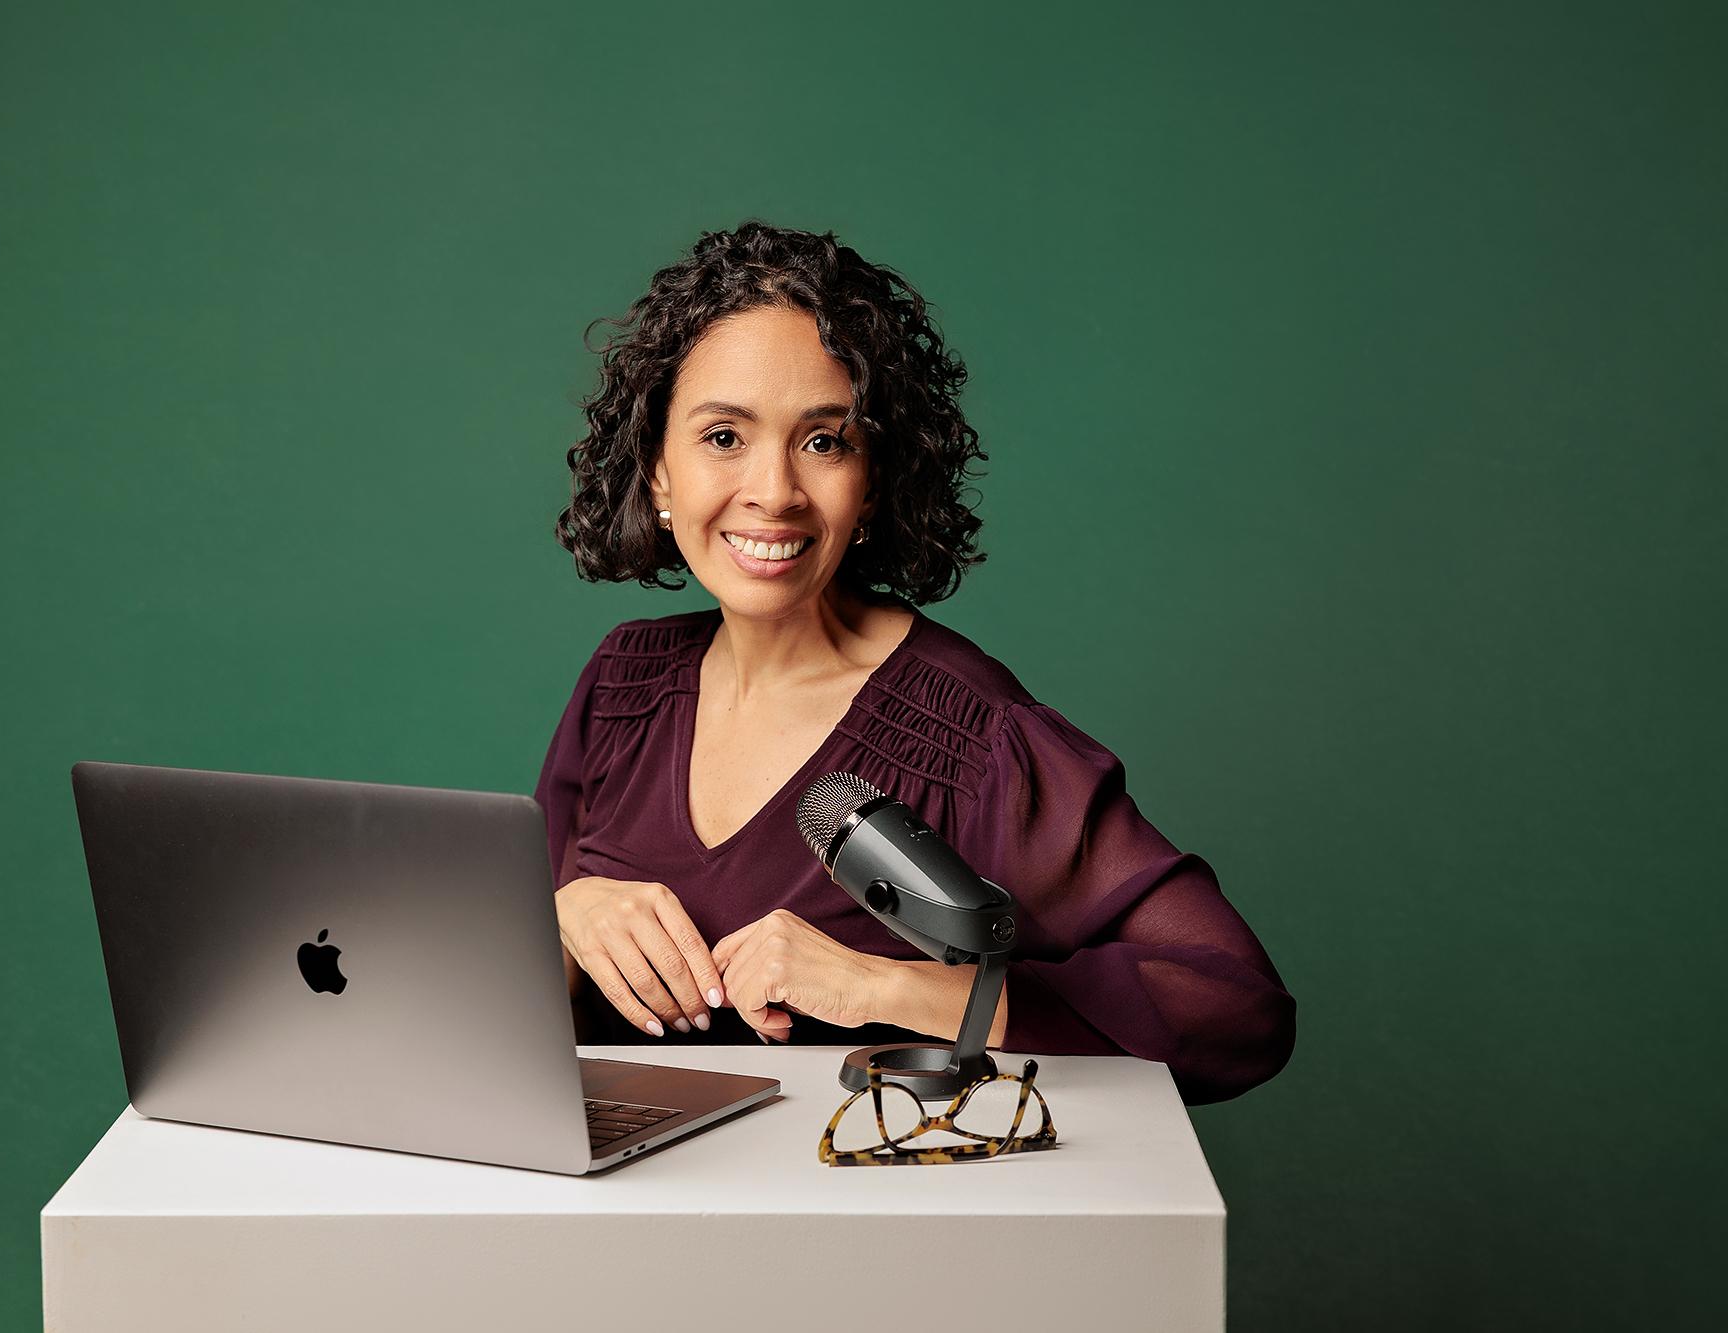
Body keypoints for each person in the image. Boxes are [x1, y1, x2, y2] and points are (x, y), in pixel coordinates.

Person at [536, 220, 1294, 1104]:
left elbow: (1238, 1009)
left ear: (873, 482)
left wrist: (885, 986)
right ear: (658, 472)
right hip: (614, 1220)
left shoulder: (969, 733)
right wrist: (558, 920)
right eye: (723, 437)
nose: (774, 491)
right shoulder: (623, 685)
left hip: (861, 1224)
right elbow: (502, 1013)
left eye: (825, 441)